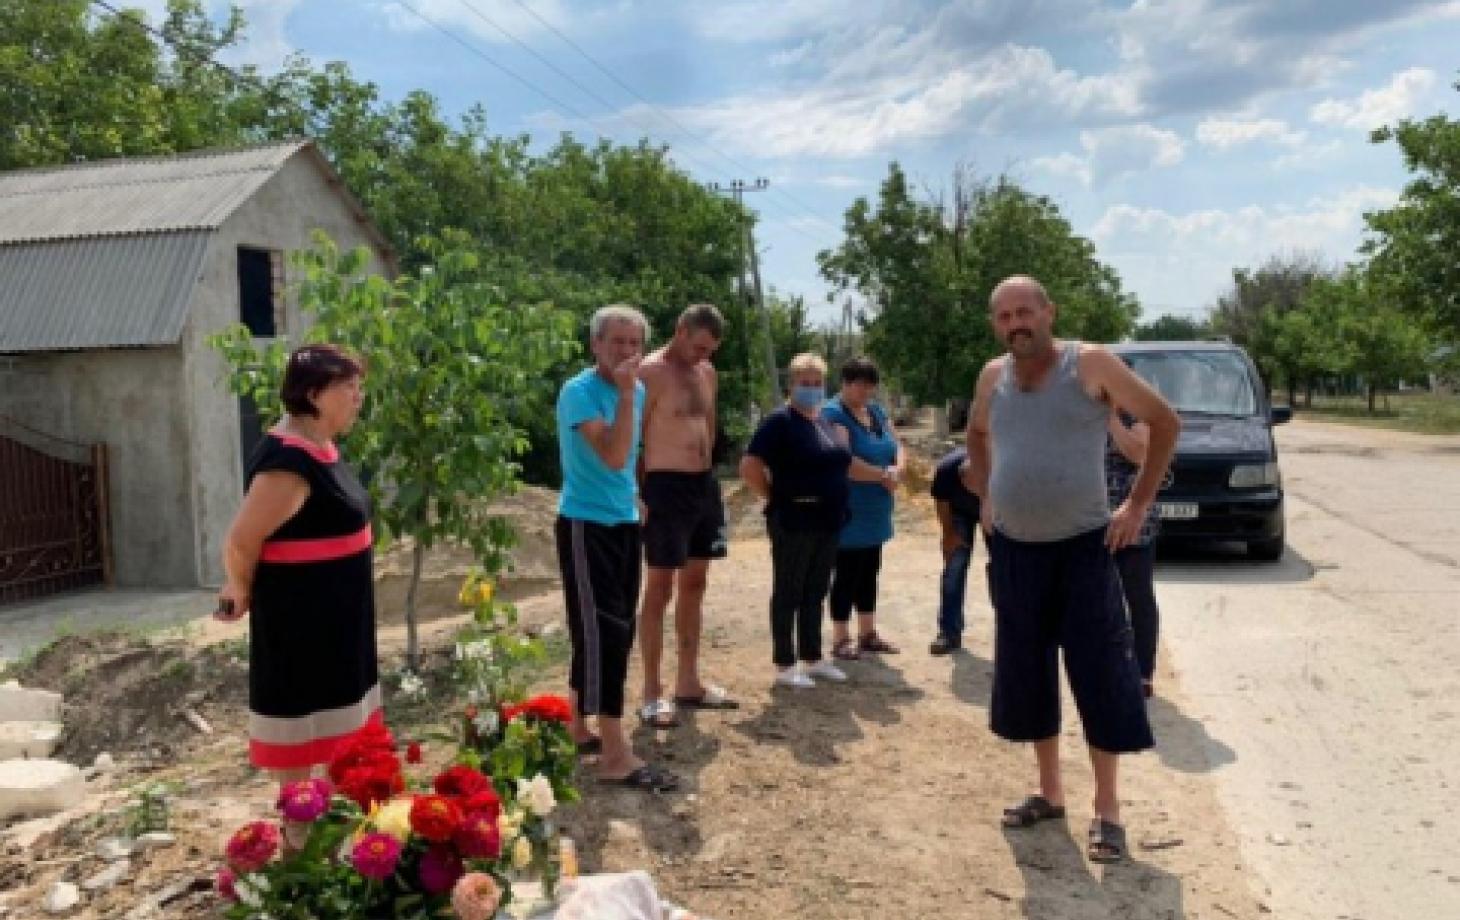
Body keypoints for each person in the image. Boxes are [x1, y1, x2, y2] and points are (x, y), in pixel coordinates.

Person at [965, 275, 1179, 863]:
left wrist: (1137, 505)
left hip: (1084, 549)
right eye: (1005, 315)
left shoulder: (1090, 365)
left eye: (1025, 311)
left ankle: (1107, 812)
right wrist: (985, 494)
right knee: (1028, 674)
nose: (1017, 324)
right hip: (1015, 551)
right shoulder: (992, 376)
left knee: (1101, 676)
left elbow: (1165, 422)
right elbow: (976, 435)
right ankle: (1048, 791)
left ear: (1049, 312)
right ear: (996, 324)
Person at [215, 344, 380, 837]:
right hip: (304, 620)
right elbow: (242, 540)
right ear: (313, 394)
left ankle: (333, 838)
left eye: (358, 386)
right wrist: (239, 589)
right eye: (347, 388)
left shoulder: (320, 443)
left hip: (338, 615)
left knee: (338, 731)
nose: (358, 397)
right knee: (306, 729)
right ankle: (301, 847)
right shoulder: (287, 463)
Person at [554, 304, 677, 792]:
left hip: (624, 520)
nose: (626, 351)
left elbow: (627, 456)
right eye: (617, 342)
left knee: (612, 630)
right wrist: (626, 396)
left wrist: (634, 495)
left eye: (634, 343)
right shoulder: (579, 392)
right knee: (601, 632)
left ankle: (577, 724)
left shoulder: (637, 389)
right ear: (596, 345)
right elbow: (607, 454)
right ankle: (614, 751)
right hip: (586, 525)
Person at [635, 304, 737, 729]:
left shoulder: (707, 373)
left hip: (702, 487)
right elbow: (633, 438)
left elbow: (708, 428)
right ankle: (651, 692)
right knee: (659, 588)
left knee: (696, 582)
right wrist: (637, 494)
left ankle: (688, 681)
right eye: (698, 347)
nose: (703, 356)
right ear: (679, 330)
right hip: (663, 488)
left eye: (710, 350)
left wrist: (709, 477)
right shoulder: (650, 373)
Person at [739, 353, 853, 689]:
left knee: (816, 589)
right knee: (789, 588)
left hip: (828, 519)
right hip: (794, 518)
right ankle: (785, 663)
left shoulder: (825, 422)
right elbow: (750, 466)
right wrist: (773, 497)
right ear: (791, 385)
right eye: (805, 383)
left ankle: (813, 656)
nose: (812, 389)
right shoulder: (779, 422)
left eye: (818, 383)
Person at [823, 357, 904, 660]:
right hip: (848, 511)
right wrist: (883, 475)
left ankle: (867, 632)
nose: (864, 390)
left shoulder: (876, 412)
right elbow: (845, 462)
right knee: (846, 574)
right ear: (844, 383)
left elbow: (898, 446)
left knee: (870, 570)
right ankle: (841, 637)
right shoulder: (833, 414)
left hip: (876, 510)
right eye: (858, 383)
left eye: (869, 384)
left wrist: (897, 469)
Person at [1107, 407, 1161, 698]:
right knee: (1096, 598)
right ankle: (1108, 666)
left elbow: (1138, 454)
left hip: (1133, 524)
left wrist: (1110, 419)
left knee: (1137, 597)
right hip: (1091, 522)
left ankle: (1142, 672)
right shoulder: (1082, 412)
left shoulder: (1138, 418)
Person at [928, 446, 982, 655]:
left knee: (1003, 572)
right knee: (954, 568)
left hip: (993, 505)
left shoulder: (997, 465)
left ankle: (1010, 632)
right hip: (958, 512)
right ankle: (949, 632)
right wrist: (949, 535)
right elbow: (941, 502)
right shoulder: (947, 470)